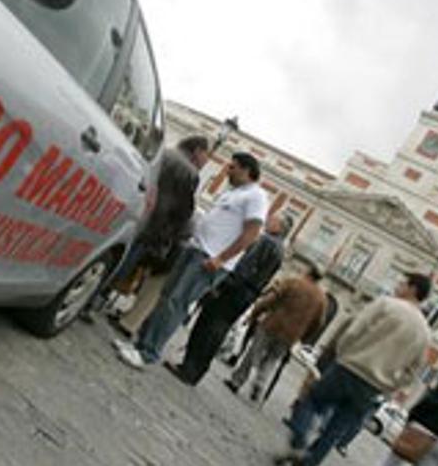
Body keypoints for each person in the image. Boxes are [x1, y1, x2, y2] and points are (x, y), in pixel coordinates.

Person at [115, 152, 268, 369]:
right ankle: (140, 344)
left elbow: (251, 232)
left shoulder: (256, 196)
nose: (228, 171)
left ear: (246, 170)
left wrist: (221, 259)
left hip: (210, 258)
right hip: (196, 248)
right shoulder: (234, 193)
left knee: (175, 304)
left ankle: (149, 352)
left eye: (233, 168)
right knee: (166, 296)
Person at [275, 272, 433, 466]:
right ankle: (308, 463)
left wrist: (343, 354)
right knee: (334, 431)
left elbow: (354, 330)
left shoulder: (386, 304)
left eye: (403, 283)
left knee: (311, 400)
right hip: (374, 387)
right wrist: (390, 386)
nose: (398, 285)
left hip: (350, 367)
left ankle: (299, 442)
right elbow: (413, 372)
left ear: (412, 288)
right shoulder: (425, 333)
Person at [81, 135, 210, 321]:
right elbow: (183, 211)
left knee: (108, 252)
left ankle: (86, 289)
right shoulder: (189, 172)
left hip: (132, 210)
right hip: (153, 225)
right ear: (198, 150)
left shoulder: (163, 152)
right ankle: (93, 300)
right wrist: (170, 235)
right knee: (124, 264)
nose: (206, 161)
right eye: (207, 155)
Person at [164, 214, 293, 385]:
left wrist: (222, 284)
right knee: (219, 329)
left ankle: (190, 367)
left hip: (234, 289)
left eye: (273, 220)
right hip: (247, 294)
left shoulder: (266, 241)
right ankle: (196, 370)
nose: (268, 220)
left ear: (280, 227)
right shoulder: (279, 250)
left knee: (207, 325)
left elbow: (244, 266)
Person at [224, 264, 327, 401]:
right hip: (291, 336)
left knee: (253, 353)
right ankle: (259, 385)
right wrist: (302, 336)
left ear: (308, 271)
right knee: (272, 360)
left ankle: (237, 381)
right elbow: (319, 323)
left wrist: (255, 313)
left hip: (272, 325)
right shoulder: (321, 299)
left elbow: (270, 299)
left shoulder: (293, 282)